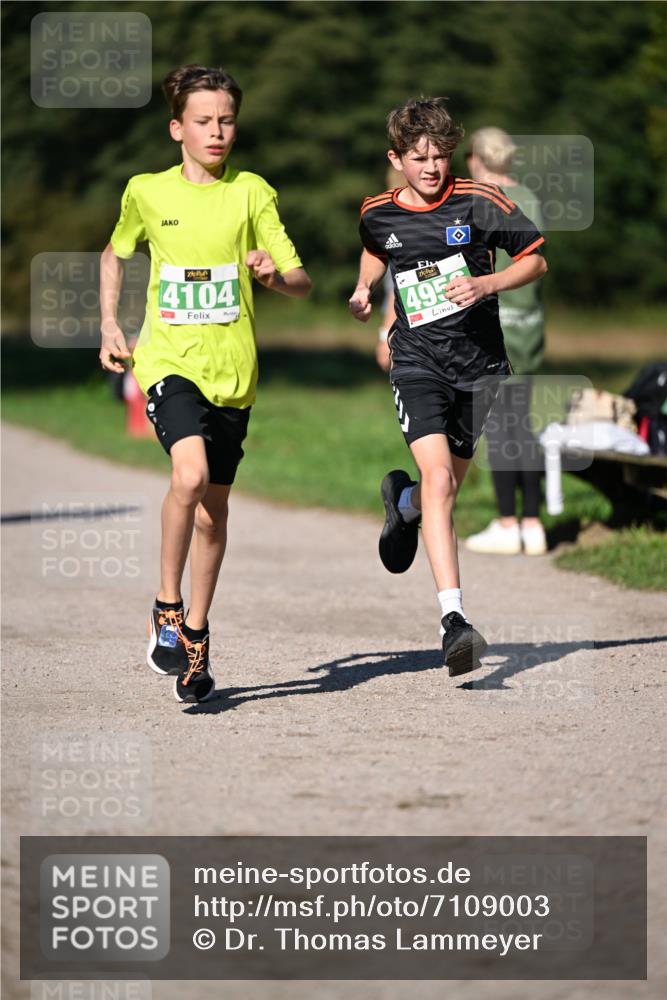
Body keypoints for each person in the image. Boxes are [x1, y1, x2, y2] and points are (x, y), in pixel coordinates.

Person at [99, 65, 311, 704]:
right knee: (187, 477)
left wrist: (273, 274)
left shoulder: (252, 193)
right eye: (203, 121)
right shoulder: (147, 192)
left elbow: (302, 281)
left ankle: (196, 632)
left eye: (225, 120)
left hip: (233, 372)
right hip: (167, 360)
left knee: (214, 514)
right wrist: (110, 322)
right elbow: (116, 252)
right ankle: (167, 605)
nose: (217, 131)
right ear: (177, 129)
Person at [348, 98, 546, 676]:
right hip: (416, 361)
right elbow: (372, 250)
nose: (431, 167)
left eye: (439, 156)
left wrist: (488, 283)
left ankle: (401, 504)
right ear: (397, 159)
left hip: (479, 365)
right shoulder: (378, 211)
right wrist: (364, 290)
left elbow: (535, 259)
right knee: (438, 478)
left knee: (443, 489)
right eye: (419, 157)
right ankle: (453, 620)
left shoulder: (480, 201)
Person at [463, 127, 547, 556]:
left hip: (496, 323)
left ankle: (506, 522)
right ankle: (533, 524)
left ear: (477, 159)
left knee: (497, 425)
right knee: (523, 423)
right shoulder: (529, 196)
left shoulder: (481, 199)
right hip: (531, 323)